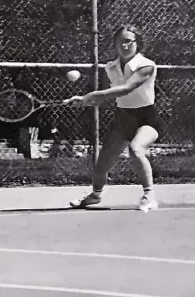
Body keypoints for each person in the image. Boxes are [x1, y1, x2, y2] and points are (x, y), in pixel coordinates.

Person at [65, 25, 162, 212]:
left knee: (136, 149)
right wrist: (83, 101)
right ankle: (95, 195)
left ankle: (149, 196)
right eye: (120, 42)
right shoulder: (110, 67)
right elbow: (108, 98)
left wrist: (91, 95)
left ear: (137, 43)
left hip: (146, 118)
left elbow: (126, 88)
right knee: (103, 162)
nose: (124, 45)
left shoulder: (147, 66)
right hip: (123, 117)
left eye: (128, 41)